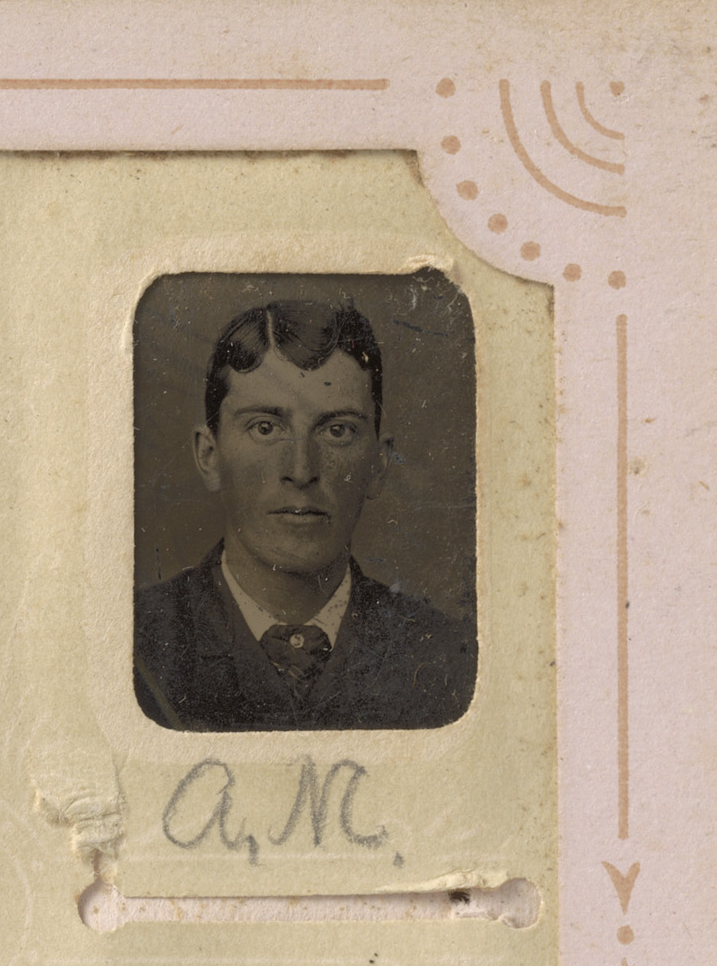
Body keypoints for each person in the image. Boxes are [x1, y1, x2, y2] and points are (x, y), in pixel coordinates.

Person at [134, 299, 476, 731]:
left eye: (337, 431)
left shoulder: (449, 657)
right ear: (210, 455)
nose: (301, 471)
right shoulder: (134, 643)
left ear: (378, 464)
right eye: (265, 427)